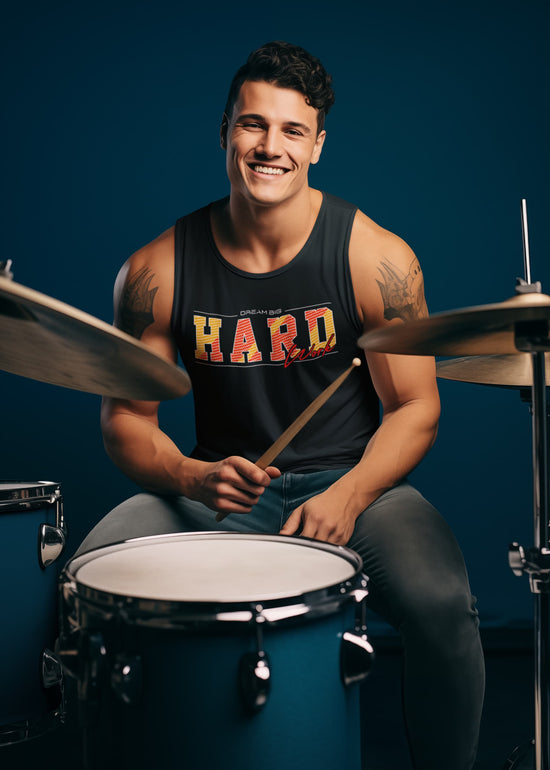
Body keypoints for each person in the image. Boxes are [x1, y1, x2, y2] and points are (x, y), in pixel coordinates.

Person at [78, 41, 485, 769]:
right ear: (225, 131)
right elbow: (128, 422)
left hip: (356, 482)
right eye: (253, 124)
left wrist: (350, 496)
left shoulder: (374, 258)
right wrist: (192, 477)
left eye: (293, 130)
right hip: (222, 488)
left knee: (442, 604)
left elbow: (415, 406)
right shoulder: (156, 270)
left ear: (318, 145)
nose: (271, 147)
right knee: (89, 573)